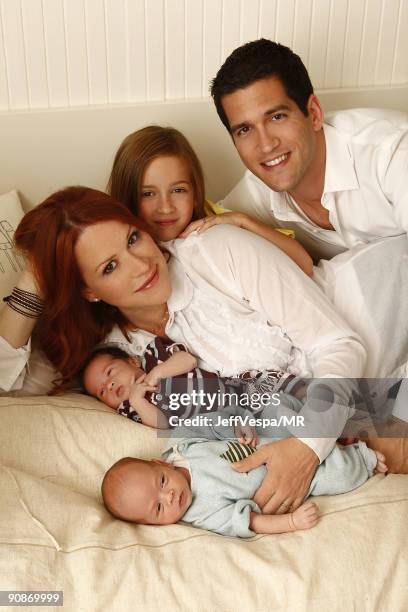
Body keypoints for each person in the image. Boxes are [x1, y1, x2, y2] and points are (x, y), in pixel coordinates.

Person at [0, 185, 368, 514]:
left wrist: (307, 446)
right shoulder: (110, 350)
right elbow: (8, 384)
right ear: (89, 291)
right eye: (110, 267)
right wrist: (36, 272)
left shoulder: (216, 251)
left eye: (132, 240)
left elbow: (338, 343)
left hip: (372, 328)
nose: (142, 265)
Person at [211, 39, 408, 261]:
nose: (266, 145)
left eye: (277, 117)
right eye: (245, 130)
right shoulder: (254, 196)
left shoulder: (392, 153)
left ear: (314, 114)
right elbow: (199, 235)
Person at [101, 408, 387, 537]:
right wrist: (290, 522)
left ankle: (341, 425)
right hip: (289, 481)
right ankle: (365, 457)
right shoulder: (200, 513)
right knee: (338, 475)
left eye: (162, 482)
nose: (170, 495)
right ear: (153, 525)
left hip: (269, 433)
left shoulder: (183, 446)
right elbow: (249, 522)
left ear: (161, 464)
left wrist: (236, 426)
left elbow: (212, 423)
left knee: (286, 410)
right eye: (159, 508)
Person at [107, 125, 313, 274]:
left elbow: (304, 264)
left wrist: (243, 221)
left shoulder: (214, 221)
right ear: (128, 196)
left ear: (195, 195)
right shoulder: (118, 250)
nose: (166, 207)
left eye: (178, 190)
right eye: (148, 194)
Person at [82, 336, 305, 437]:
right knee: (275, 427)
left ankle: (321, 406)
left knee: (276, 384)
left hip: (233, 390)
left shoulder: (154, 356)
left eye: (110, 372)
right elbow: (163, 423)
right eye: (102, 391)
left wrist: (157, 374)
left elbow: (187, 361)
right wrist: (138, 399)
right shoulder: (131, 408)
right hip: (219, 421)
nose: (110, 385)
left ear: (131, 361)